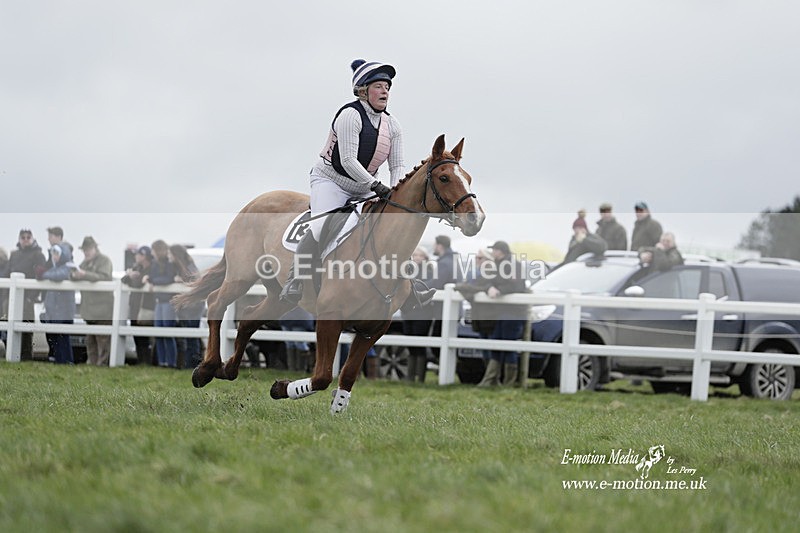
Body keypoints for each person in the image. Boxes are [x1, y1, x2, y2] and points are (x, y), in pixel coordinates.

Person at [280, 59, 405, 304]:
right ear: (363, 90)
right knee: (320, 225)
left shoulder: (393, 125)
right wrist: (377, 186)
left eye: (387, 87)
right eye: (379, 86)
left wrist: (396, 192)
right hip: (332, 181)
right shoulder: (350, 115)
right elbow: (347, 160)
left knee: (390, 225)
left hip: (364, 186)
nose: (385, 91)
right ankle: (295, 278)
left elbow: (397, 165)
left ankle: (412, 282)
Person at [476, 240, 529, 387]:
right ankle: (493, 379)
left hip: (513, 311)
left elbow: (517, 285)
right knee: (497, 340)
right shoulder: (498, 265)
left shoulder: (514, 265)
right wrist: (490, 288)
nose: (492, 253)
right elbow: (488, 281)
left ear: (501, 251)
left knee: (508, 344)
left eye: (494, 250)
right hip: (501, 310)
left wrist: (499, 290)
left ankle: (508, 381)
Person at [71, 236, 114, 366]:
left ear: (95, 248)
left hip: (103, 310)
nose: (86, 252)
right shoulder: (84, 264)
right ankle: (92, 363)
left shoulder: (104, 261)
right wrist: (74, 275)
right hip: (89, 309)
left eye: (88, 249)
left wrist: (85, 275)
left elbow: (104, 277)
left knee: (103, 340)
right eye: (84, 250)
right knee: (90, 340)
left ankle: (102, 364)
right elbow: (75, 273)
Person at [5, 229, 47, 360]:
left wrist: (31, 298)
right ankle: (10, 354)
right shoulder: (14, 255)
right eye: (23, 237)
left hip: (28, 298)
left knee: (26, 328)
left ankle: (26, 357)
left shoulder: (38, 255)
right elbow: (7, 273)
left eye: (28, 237)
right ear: (19, 239)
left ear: (32, 239)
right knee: (9, 325)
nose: (25, 239)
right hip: (12, 297)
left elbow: (40, 277)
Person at [401, 246, 435, 382]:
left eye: (419, 255)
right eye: (414, 255)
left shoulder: (429, 270)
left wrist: (411, 289)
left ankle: (420, 377)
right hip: (409, 311)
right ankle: (410, 376)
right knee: (410, 344)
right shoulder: (408, 269)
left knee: (420, 344)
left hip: (423, 312)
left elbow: (428, 285)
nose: (416, 258)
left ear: (425, 257)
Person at [144, 240, 177, 368]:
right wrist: (148, 279)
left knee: (168, 332)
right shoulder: (154, 264)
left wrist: (153, 281)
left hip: (168, 301)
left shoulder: (169, 264)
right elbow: (153, 277)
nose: (152, 253)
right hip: (159, 301)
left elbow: (169, 279)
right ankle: (162, 361)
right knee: (159, 332)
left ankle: (171, 362)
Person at [169, 244, 203, 369]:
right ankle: (189, 363)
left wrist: (181, 281)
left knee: (192, 336)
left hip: (194, 306)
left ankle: (193, 364)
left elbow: (195, 283)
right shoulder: (180, 267)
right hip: (188, 306)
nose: (169, 256)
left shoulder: (190, 268)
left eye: (171, 254)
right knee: (188, 336)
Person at [40, 244, 76, 364]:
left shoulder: (68, 266)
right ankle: (59, 361)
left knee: (63, 337)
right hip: (54, 311)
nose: (54, 257)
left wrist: (43, 275)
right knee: (55, 337)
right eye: (53, 254)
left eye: (57, 254)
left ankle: (66, 361)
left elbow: (60, 275)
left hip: (64, 311)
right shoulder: (55, 267)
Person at [121, 245, 156, 365]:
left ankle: (146, 362)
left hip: (146, 306)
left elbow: (138, 284)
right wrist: (131, 276)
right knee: (137, 334)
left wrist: (135, 278)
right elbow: (124, 280)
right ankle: (141, 361)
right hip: (135, 306)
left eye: (138, 254)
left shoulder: (151, 269)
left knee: (145, 336)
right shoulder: (137, 267)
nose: (136, 257)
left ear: (144, 256)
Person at [429, 235, 462, 337]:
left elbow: (436, 284)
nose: (433, 247)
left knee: (438, 342)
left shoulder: (444, 263)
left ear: (440, 246)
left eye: (435, 244)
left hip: (444, 310)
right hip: (453, 309)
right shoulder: (454, 261)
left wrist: (416, 286)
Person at [279, 306, 315, 372]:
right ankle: (292, 369)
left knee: (300, 343)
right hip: (286, 317)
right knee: (289, 343)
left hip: (300, 318)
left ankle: (301, 369)